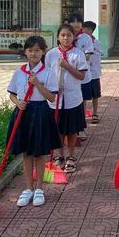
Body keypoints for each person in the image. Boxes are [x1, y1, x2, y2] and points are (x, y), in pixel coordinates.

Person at [6, 36, 60, 207]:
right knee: (26, 153)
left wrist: (37, 83)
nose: (34, 53)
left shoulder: (48, 73)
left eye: (37, 50)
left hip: (41, 112)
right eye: (30, 50)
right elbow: (12, 94)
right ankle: (28, 188)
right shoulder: (19, 72)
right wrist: (18, 102)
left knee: (39, 153)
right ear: (25, 52)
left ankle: (39, 189)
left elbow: (51, 97)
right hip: (24, 113)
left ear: (43, 52)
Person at [45, 24, 88, 173]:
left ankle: (71, 157)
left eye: (69, 35)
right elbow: (46, 75)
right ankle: (58, 156)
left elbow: (81, 76)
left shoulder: (78, 54)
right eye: (63, 35)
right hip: (55, 99)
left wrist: (67, 66)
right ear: (58, 37)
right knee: (57, 130)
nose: (65, 38)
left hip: (72, 98)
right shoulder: (50, 54)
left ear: (74, 37)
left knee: (71, 130)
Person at [65, 13, 94, 139]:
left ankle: (81, 127)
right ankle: (68, 128)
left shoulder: (86, 38)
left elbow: (88, 54)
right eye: (73, 22)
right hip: (67, 78)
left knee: (81, 102)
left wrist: (76, 60)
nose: (76, 25)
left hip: (82, 76)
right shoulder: (65, 36)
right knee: (67, 101)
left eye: (78, 23)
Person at [82, 21, 102, 124]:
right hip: (84, 73)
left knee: (95, 95)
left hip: (94, 73)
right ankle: (83, 115)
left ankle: (95, 113)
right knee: (84, 96)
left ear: (91, 30)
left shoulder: (96, 42)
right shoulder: (80, 41)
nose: (83, 30)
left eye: (85, 29)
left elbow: (96, 57)